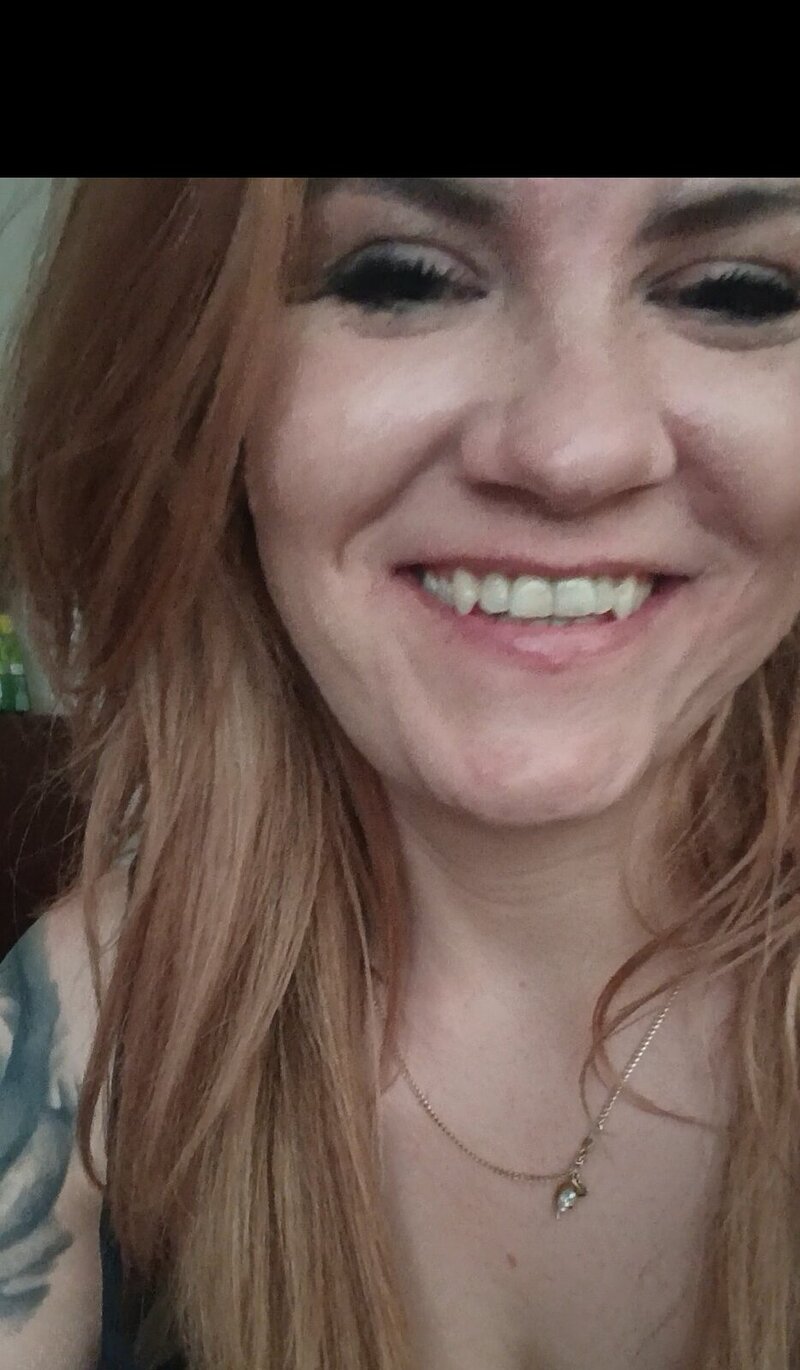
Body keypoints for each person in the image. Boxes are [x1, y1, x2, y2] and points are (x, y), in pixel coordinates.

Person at [1, 176, 800, 1369]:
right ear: (203, 385)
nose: (570, 450)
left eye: (735, 293)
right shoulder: (75, 1037)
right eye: (401, 275)